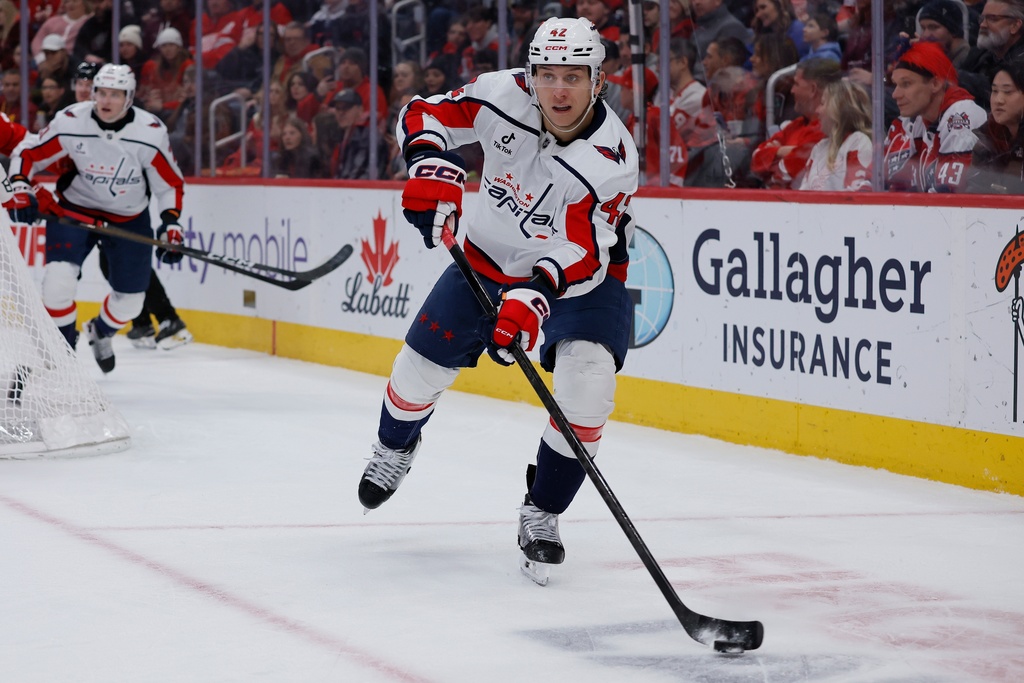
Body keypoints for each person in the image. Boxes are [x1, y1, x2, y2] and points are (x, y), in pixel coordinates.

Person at [358, 17, 638, 581]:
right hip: (485, 258)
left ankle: (542, 513)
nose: (559, 90)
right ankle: (395, 447)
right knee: (415, 374)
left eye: (574, 77)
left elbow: (582, 253)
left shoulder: (611, 159)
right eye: (548, 74)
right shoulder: (501, 94)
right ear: (531, 75)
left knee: (587, 389)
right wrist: (429, 160)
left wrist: (532, 294)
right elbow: (422, 111)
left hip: (581, 281)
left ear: (598, 81)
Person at [5, 64, 187, 372]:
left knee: (130, 303)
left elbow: (169, 184)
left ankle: (100, 331)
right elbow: (29, 152)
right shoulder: (72, 120)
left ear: (129, 98)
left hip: (128, 217)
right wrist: (21, 187)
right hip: (75, 209)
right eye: (101, 92)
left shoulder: (149, 133)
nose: (105, 100)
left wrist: (171, 224)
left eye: (115, 94)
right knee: (57, 284)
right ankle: (60, 358)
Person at [884, 41, 986, 192]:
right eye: (895, 85)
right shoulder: (918, 119)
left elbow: (949, 197)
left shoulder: (961, 116)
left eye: (906, 84)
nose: (895, 94)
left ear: (935, 84)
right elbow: (891, 182)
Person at [751, 56, 840, 188]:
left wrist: (773, 152)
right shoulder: (796, 124)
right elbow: (755, 159)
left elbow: (783, 175)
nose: (792, 90)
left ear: (813, 89)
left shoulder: (826, 130)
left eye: (796, 84)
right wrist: (782, 151)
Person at [798, 77, 873, 191]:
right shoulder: (819, 148)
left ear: (838, 109)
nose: (817, 110)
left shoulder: (858, 141)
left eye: (822, 103)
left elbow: (857, 194)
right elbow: (803, 194)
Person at [969, 59, 1024, 193]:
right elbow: (972, 190)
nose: (998, 100)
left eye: (1008, 92)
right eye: (994, 91)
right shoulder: (988, 137)